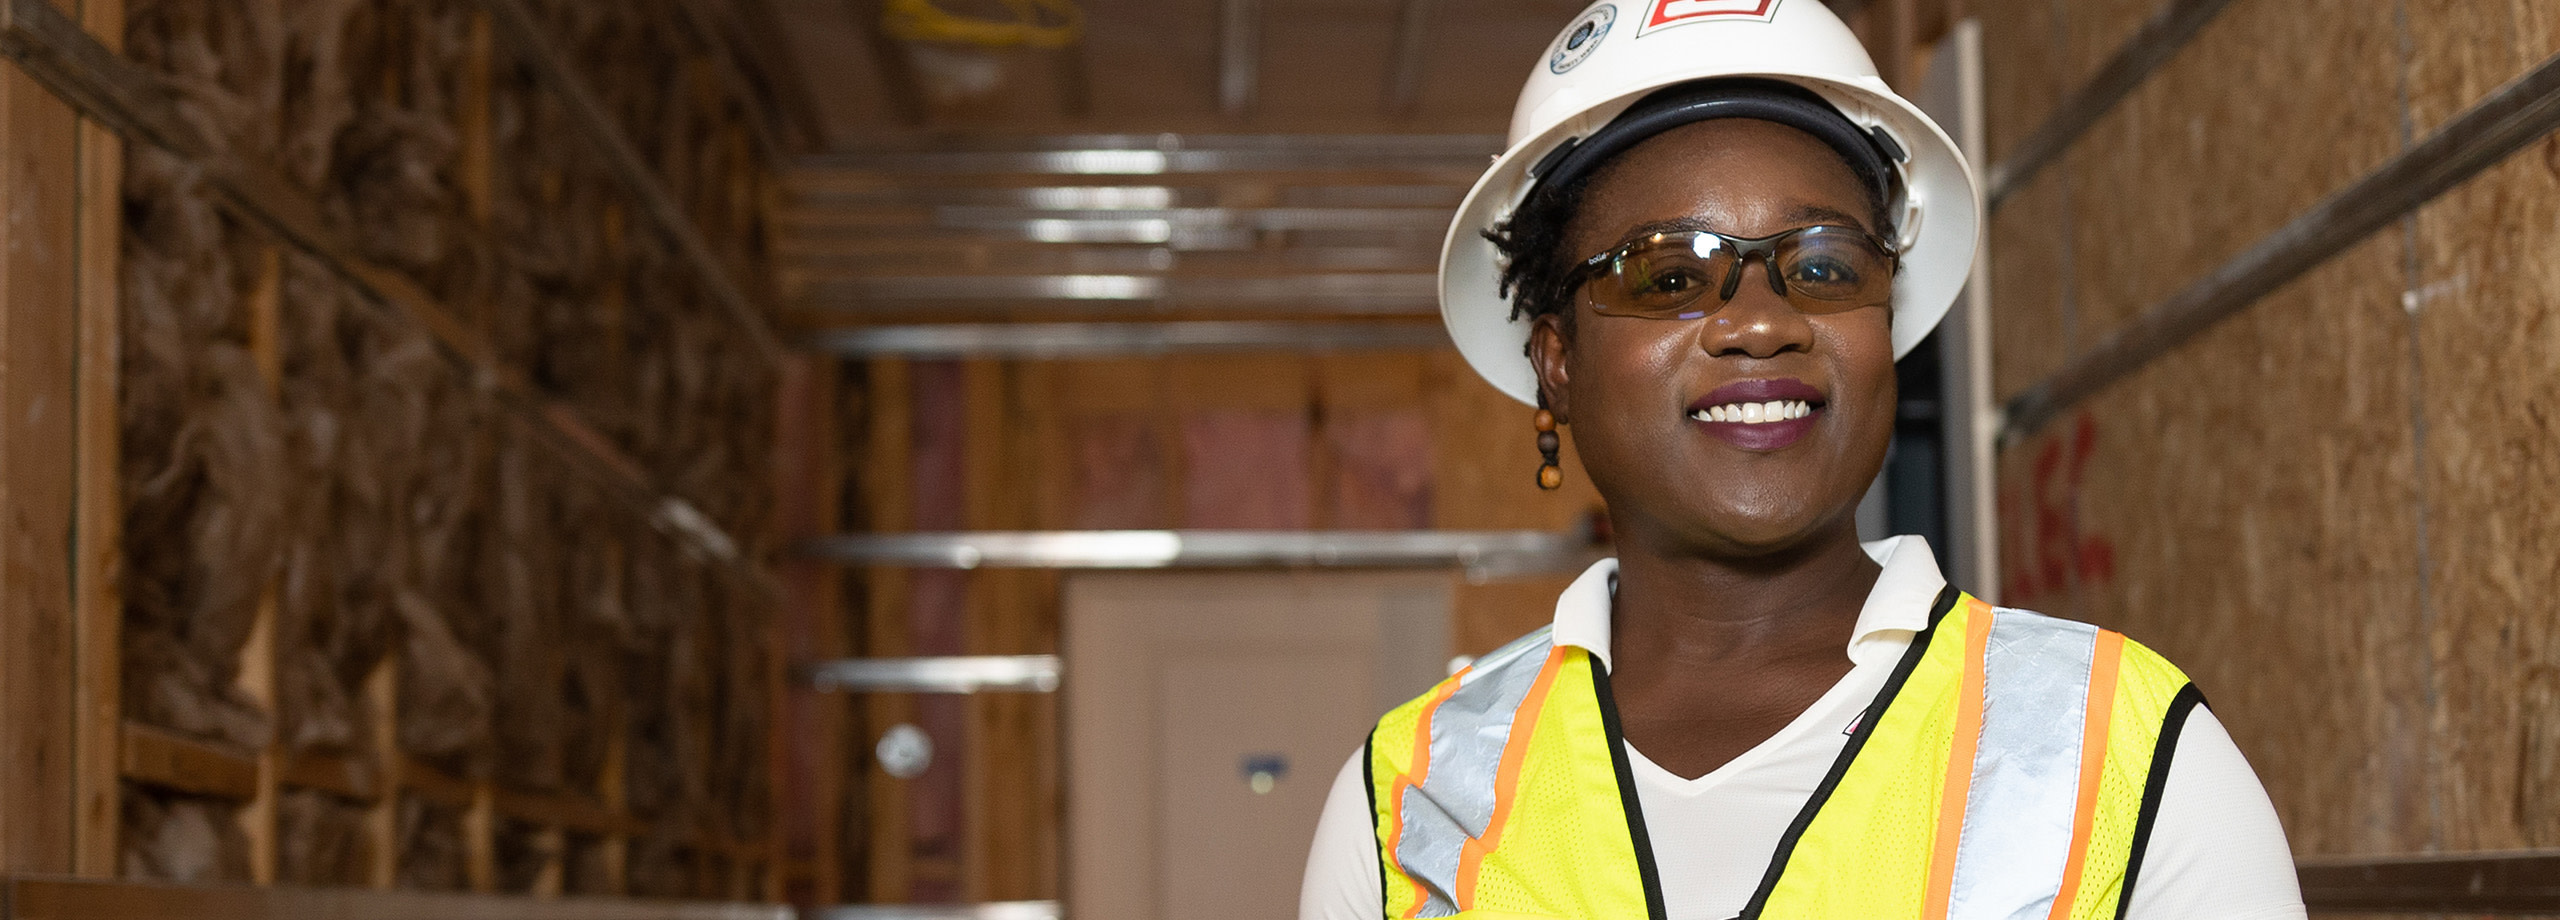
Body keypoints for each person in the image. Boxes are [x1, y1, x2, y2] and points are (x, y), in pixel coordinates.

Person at [1299, 2, 2307, 918]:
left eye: (1823, 266)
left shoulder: (2121, 756)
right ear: (1556, 361)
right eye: (1667, 274)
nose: (1760, 321)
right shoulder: (1409, 807)